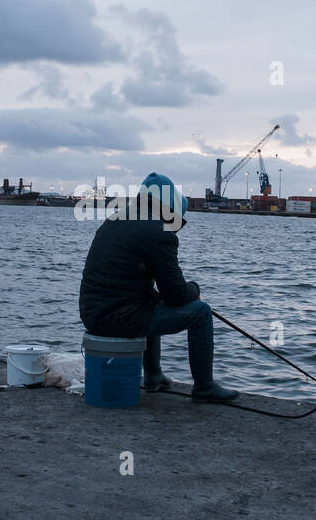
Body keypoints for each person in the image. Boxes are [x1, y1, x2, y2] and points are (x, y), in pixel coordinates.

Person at [78, 171, 238, 403]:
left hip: (93, 314)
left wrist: (159, 297)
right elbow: (177, 295)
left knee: (150, 303)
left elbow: (124, 283)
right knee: (201, 313)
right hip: (117, 318)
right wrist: (194, 289)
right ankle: (204, 387)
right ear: (168, 209)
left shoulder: (116, 220)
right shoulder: (158, 232)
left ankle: (153, 376)